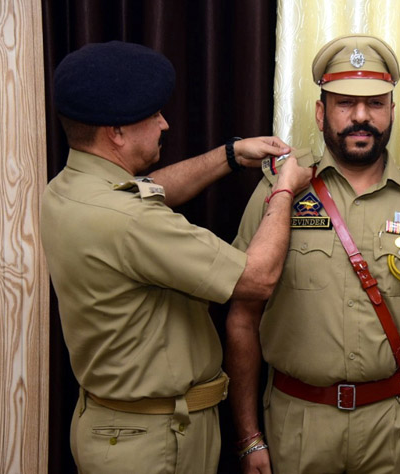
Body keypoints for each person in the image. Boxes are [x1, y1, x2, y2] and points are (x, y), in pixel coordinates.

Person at [40, 40, 311, 474]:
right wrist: (284, 190)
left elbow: (150, 189)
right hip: (153, 444)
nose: (165, 124)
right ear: (116, 132)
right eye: (153, 115)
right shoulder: (130, 222)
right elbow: (257, 277)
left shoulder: (67, 189)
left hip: (114, 427)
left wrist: (229, 155)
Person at [226, 34, 400, 474]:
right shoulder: (278, 193)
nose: (361, 117)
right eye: (345, 103)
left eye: (376, 104)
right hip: (299, 424)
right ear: (321, 112)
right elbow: (242, 317)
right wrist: (250, 439)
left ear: (392, 112)